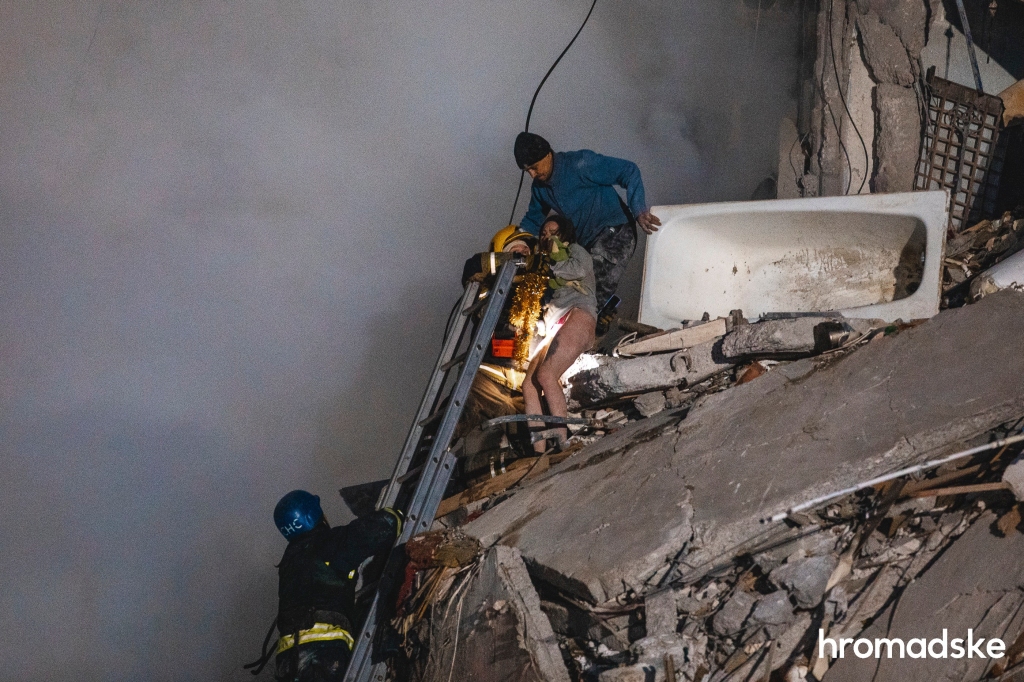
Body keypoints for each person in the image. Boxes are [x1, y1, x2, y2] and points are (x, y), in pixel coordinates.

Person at [245, 490, 402, 681]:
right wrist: (398, 516)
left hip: (288, 662)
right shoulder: (323, 544)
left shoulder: (289, 562)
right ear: (312, 516)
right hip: (320, 657)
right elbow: (372, 532)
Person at [513, 131, 662, 308]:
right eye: (527, 170)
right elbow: (533, 218)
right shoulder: (540, 188)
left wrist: (639, 210)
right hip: (586, 244)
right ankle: (595, 319)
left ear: (547, 154)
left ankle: (593, 322)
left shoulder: (580, 164)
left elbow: (628, 171)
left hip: (616, 231)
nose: (532, 174)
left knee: (589, 291)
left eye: (534, 167)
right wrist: (516, 243)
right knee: (561, 288)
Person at [522, 215, 597, 453]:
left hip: (578, 315)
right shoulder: (545, 264)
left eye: (552, 232)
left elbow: (579, 269)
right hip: (555, 325)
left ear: (564, 233)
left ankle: (563, 441)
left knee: (546, 375)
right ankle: (539, 450)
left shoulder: (575, 251)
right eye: (543, 234)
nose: (547, 237)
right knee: (529, 385)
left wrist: (552, 265)